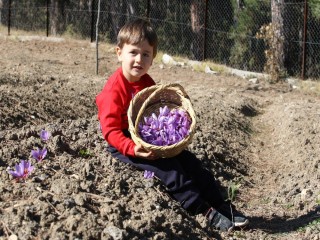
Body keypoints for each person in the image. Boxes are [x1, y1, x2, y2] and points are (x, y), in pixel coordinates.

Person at [95, 18, 248, 232]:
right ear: (119, 52)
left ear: (152, 58)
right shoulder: (114, 90)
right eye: (133, 52)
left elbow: (158, 112)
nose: (139, 59)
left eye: (146, 54)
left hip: (149, 138)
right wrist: (133, 149)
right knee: (171, 171)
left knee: (193, 165)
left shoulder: (147, 82)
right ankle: (203, 210)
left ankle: (221, 204)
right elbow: (109, 130)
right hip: (125, 142)